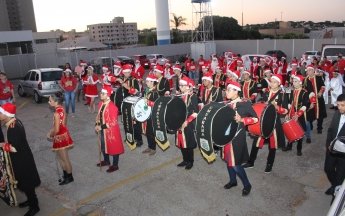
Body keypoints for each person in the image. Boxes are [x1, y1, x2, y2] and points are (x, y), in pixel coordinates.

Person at [0, 103, 41, 216]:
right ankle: (30, 200)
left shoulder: (13, 127)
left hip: (22, 159)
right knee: (25, 181)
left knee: (27, 182)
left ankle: (35, 206)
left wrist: (3, 145)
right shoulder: (13, 122)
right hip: (23, 157)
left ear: (7, 115)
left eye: (1, 113)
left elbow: (14, 147)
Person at [243, 74, 288, 173]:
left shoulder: (283, 95)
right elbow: (259, 102)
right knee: (256, 142)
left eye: (274, 82)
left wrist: (277, 107)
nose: (272, 83)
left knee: (273, 144)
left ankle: (269, 164)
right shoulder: (266, 92)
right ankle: (251, 162)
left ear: (279, 84)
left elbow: (285, 111)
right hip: (263, 121)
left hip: (274, 122)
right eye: (271, 81)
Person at [222, 81, 258, 196]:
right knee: (228, 160)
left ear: (236, 91)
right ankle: (233, 181)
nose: (226, 92)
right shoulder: (226, 103)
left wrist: (242, 120)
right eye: (226, 90)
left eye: (228, 90)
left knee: (236, 164)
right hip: (226, 137)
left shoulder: (244, 104)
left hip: (237, 137)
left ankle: (247, 184)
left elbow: (255, 119)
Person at [95, 85, 124, 173]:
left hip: (111, 131)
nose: (101, 94)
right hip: (103, 130)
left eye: (103, 93)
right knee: (103, 146)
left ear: (108, 95)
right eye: (101, 93)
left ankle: (115, 165)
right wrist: (96, 124)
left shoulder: (112, 107)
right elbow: (99, 116)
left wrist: (102, 126)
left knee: (114, 148)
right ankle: (106, 160)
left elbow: (113, 122)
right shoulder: (101, 103)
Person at [47, 93, 74, 185]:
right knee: (61, 158)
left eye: (50, 100)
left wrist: (51, 134)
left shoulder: (56, 113)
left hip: (60, 137)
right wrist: (51, 132)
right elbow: (63, 125)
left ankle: (69, 177)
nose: (49, 102)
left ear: (56, 101)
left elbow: (57, 129)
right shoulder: (62, 109)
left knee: (64, 159)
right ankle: (66, 175)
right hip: (63, 135)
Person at [282, 75, 309, 156]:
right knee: (290, 130)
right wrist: (287, 113)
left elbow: (305, 105)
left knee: (299, 132)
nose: (293, 83)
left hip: (300, 115)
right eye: (293, 81)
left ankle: (299, 149)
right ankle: (289, 146)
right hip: (291, 113)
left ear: (300, 83)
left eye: (295, 81)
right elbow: (290, 103)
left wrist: (298, 115)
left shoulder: (305, 92)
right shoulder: (292, 91)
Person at [324, 94, 345, 196]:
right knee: (328, 169)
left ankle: (336, 194)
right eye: (338, 105)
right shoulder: (337, 113)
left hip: (343, 155)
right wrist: (329, 145)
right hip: (331, 150)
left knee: (341, 175)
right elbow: (330, 129)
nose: (339, 107)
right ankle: (335, 185)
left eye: (342, 105)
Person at [176, 77, 199, 170]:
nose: (180, 87)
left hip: (188, 123)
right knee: (181, 142)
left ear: (188, 86)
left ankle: (190, 161)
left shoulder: (192, 97)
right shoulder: (180, 96)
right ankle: (185, 159)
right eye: (179, 85)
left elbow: (196, 112)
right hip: (179, 123)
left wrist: (188, 121)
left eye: (182, 85)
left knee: (188, 143)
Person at [141, 74, 160, 155]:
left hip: (152, 115)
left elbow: (157, 104)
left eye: (148, 81)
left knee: (151, 132)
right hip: (146, 114)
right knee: (147, 131)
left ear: (153, 82)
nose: (146, 82)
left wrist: (148, 102)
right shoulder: (146, 90)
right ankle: (149, 146)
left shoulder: (155, 93)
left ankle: (153, 148)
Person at [305, 65, 327, 134]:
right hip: (310, 99)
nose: (308, 72)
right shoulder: (306, 79)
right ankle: (310, 125)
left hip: (318, 98)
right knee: (310, 113)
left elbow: (323, 86)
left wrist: (320, 92)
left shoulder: (318, 77)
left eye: (310, 70)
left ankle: (319, 127)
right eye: (307, 70)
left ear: (313, 70)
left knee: (320, 114)